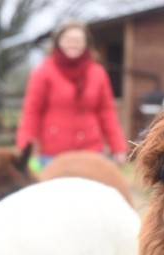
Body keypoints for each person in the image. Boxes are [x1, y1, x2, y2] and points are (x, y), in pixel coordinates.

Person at [16, 20, 127, 169]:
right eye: (68, 40)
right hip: (53, 155)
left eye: (78, 40)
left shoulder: (97, 73)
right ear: (58, 42)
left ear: (86, 43)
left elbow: (107, 112)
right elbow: (32, 112)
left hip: (91, 152)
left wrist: (118, 147)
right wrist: (25, 147)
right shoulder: (43, 72)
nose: (73, 44)